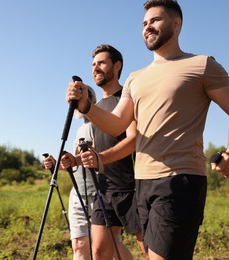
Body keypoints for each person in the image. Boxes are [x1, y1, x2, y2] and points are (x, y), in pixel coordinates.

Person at [66, 1, 229, 259]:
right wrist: (88, 106)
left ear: (176, 24)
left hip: (180, 180)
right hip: (143, 183)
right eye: (144, 23)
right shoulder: (135, 78)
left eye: (155, 20)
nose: (147, 27)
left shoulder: (201, 65)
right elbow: (117, 123)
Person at [61, 44, 145, 259]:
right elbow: (100, 147)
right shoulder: (97, 109)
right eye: (93, 64)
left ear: (117, 66)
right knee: (99, 252)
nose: (95, 68)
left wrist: (101, 158)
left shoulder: (125, 100)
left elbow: (133, 140)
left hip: (131, 189)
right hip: (104, 188)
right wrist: (77, 160)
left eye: (101, 63)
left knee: (150, 251)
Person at [43, 86, 97, 260]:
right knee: (79, 246)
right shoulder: (80, 130)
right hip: (78, 194)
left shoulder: (102, 124)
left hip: (99, 194)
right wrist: (56, 164)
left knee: (105, 247)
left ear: (90, 99)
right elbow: (74, 165)